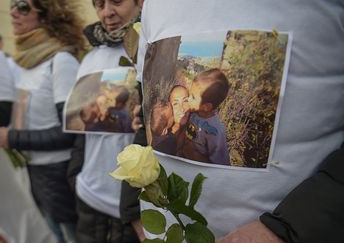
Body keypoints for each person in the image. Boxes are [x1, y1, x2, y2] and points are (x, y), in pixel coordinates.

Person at [133, 0, 344, 242]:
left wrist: (291, 227)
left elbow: (214, 154)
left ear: (207, 107)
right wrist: (136, 212)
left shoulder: (214, 130)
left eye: (191, 96)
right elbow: (143, 114)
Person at [0, 0, 86, 242]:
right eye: (12, 5)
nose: (12, 12)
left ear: (45, 16)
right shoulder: (26, 61)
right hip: (33, 170)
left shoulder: (60, 60)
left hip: (58, 173)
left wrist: (12, 138)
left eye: (23, 6)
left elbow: (71, 131)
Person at [71, 0, 144, 242]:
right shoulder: (91, 58)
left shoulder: (149, 47)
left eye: (117, 1)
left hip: (132, 204)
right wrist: (76, 175)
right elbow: (81, 130)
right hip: (90, 194)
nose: (107, 12)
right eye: (99, 4)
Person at [177, 69, 230, 165]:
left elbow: (219, 165)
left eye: (193, 97)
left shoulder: (216, 131)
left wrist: (193, 155)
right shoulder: (194, 114)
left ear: (206, 107)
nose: (188, 99)